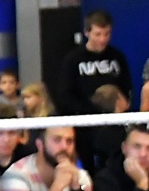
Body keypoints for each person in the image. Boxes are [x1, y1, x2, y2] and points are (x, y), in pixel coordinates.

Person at [55, 11, 132, 169]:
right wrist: (90, 111)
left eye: (107, 34)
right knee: (88, 167)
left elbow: (126, 85)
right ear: (87, 32)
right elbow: (64, 93)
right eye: (98, 34)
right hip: (85, 124)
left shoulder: (117, 56)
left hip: (113, 123)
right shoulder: (73, 59)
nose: (102, 39)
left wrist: (122, 105)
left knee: (115, 164)